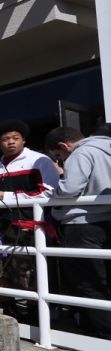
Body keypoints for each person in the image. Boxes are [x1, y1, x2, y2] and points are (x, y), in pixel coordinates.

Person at [0, 119, 59, 319]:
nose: (11, 142)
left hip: (29, 227)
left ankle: (37, 316)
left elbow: (50, 194)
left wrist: (7, 196)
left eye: (15, 138)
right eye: (5, 139)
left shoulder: (40, 161)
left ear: (23, 140)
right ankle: (9, 311)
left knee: (31, 276)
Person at [45, 126, 111, 339]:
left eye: (59, 155)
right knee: (104, 279)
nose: (62, 158)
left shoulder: (81, 152)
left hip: (82, 223)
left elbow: (69, 188)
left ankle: (104, 331)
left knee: (88, 281)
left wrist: (53, 190)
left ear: (64, 145)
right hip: (106, 222)